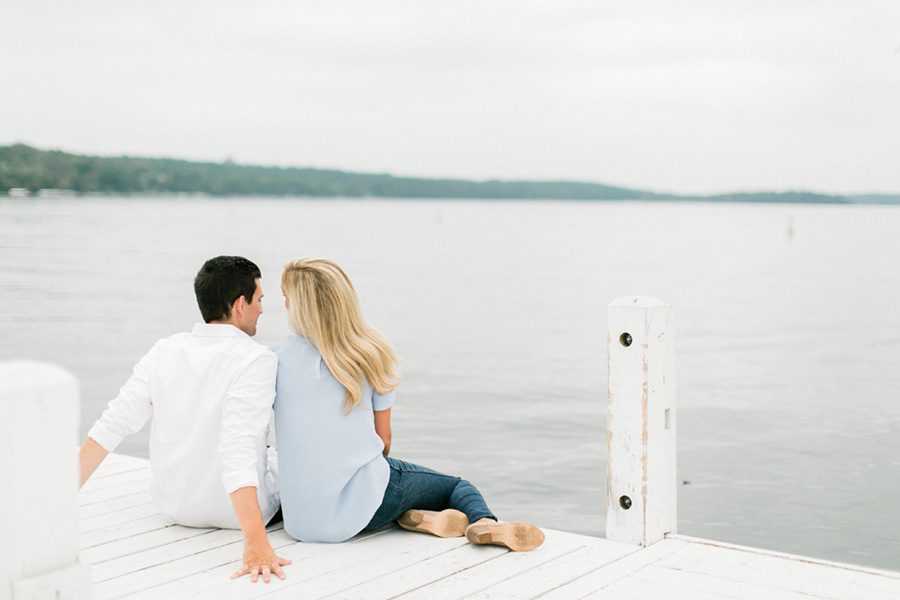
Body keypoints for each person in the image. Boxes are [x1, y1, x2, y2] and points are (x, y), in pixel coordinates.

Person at [272, 257, 544, 551]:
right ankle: (485, 524)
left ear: (298, 306)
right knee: (456, 487)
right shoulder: (370, 353)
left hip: (300, 521)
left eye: (286, 298)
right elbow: (384, 440)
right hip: (363, 511)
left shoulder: (272, 357)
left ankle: (415, 517)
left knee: (388, 488)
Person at [78, 256, 290, 584]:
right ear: (239, 304)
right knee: (281, 457)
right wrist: (255, 543)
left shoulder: (165, 350)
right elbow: (237, 448)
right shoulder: (255, 358)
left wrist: (60, 498)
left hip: (174, 508)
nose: (262, 308)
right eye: (259, 300)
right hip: (239, 516)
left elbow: (113, 423)